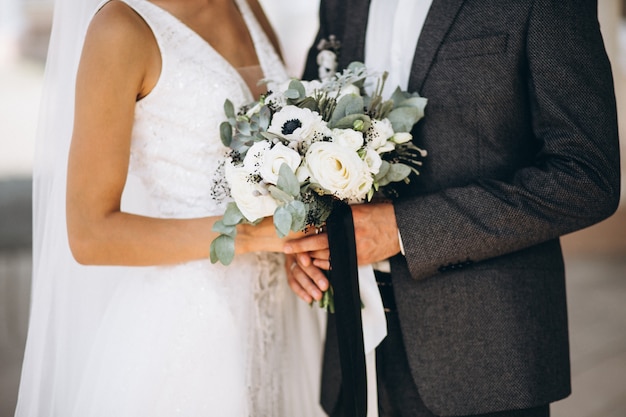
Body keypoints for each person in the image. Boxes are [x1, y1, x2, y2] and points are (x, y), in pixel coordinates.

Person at [284, 1, 621, 416]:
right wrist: (307, 235)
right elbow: (305, 127)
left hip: (484, 354)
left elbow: (587, 176)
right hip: (355, 351)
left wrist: (402, 230)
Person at [15, 0, 326, 415]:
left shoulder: (244, 5)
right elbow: (90, 235)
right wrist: (253, 234)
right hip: (190, 325)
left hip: (280, 317)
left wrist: (293, 235)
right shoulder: (121, 28)